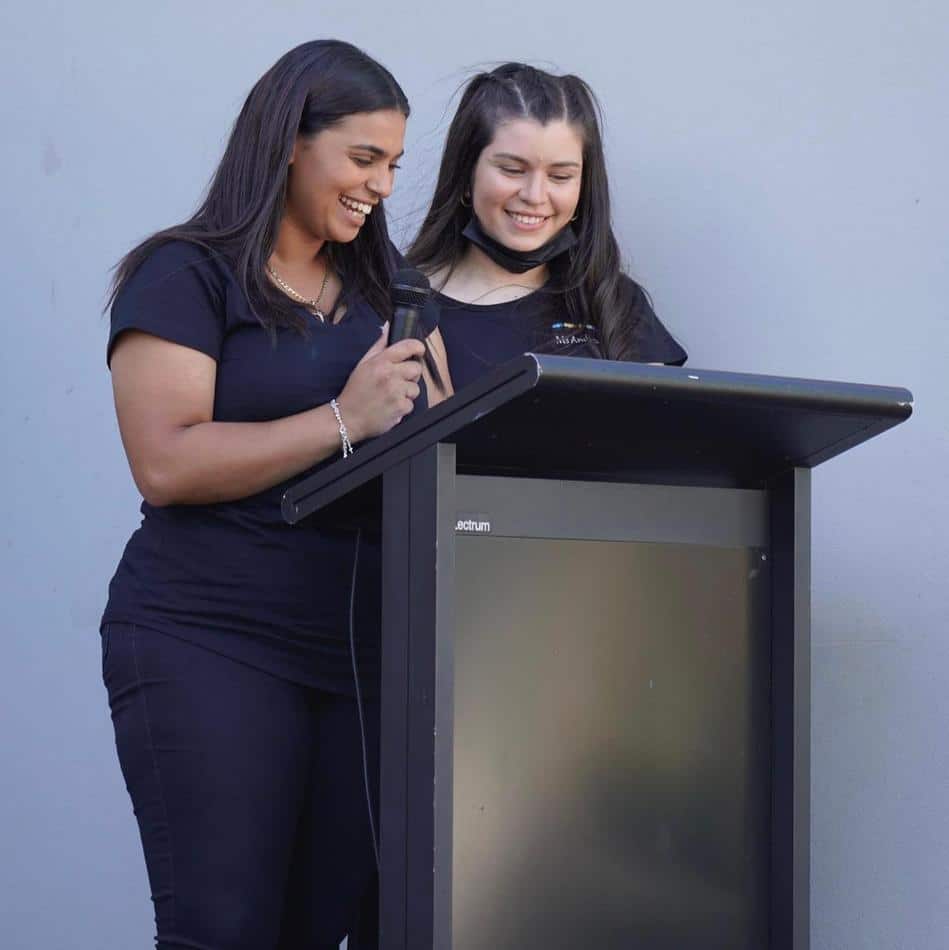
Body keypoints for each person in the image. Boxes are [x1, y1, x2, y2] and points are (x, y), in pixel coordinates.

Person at [100, 40, 450, 950]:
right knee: (224, 929)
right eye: (363, 158)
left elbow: (434, 453)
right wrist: (343, 418)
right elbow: (166, 462)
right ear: (290, 143)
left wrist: (446, 423)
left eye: (394, 164)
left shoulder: (394, 298)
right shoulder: (185, 274)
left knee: (314, 929)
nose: (381, 183)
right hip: (208, 636)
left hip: (362, 658)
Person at [408, 63, 686, 388]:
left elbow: (664, 428)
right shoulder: (406, 306)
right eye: (512, 170)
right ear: (465, 174)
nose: (535, 195)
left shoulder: (612, 299)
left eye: (560, 177)